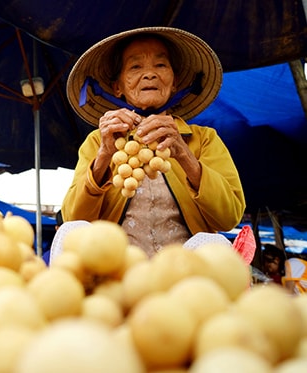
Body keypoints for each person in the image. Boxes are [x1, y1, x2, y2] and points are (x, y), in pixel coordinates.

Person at [62, 27, 246, 257]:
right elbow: (74, 219)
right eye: (135, 67)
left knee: (215, 245)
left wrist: (184, 154)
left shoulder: (204, 139)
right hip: (117, 268)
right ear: (117, 87)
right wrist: (103, 156)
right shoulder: (99, 141)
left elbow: (229, 217)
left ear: (175, 82)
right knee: (68, 232)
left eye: (160, 65)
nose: (150, 74)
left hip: (184, 272)